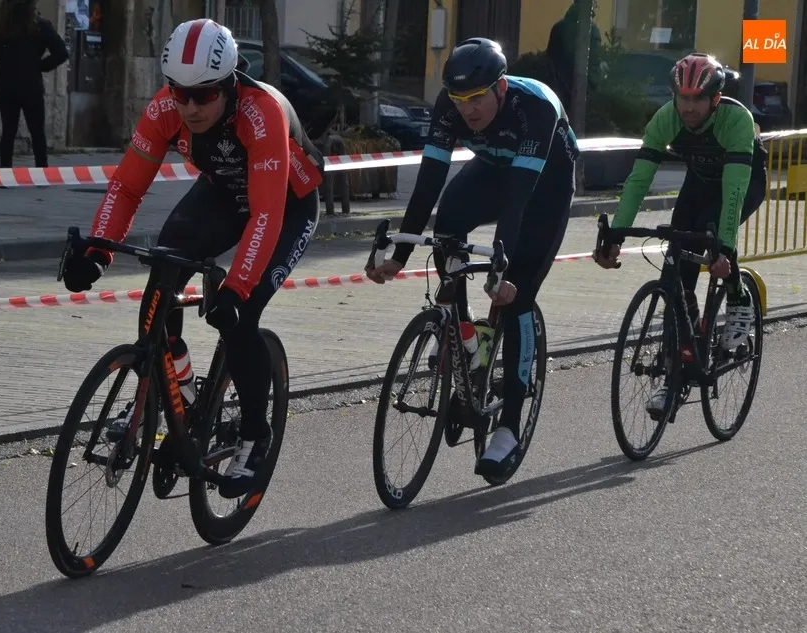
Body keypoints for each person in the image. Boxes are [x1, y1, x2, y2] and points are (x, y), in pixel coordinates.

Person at [61, 19, 324, 499]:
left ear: (229, 84)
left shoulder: (260, 113)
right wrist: (97, 251)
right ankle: (167, 389)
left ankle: (255, 434)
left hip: (286, 207)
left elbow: (266, 214)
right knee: (162, 277)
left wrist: (236, 289)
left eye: (204, 95)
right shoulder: (165, 110)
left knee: (240, 318)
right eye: (180, 93)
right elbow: (126, 187)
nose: (190, 107)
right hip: (223, 194)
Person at [365, 38, 579, 480]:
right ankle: (466, 338)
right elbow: (428, 183)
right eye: (460, 99)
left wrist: (502, 270)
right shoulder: (449, 106)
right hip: (494, 170)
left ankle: (510, 426)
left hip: (545, 186)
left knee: (515, 296)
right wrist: (401, 253)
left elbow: (518, 201)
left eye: (477, 98)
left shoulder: (534, 107)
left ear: (501, 87)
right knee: (448, 225)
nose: (468, 109)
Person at [594, 53, 767, 418]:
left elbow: (734, 193)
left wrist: (724, 248)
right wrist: (616, 235)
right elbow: (639, 180)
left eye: (697, 99)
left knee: (713, 232)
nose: (688, 108)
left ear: (715, 98)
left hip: (743, 182)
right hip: (700, 184)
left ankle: (738, 299)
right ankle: (675, 371)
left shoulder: (735, 119)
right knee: (676, 263)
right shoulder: (666, 119)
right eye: (682, 98)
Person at [0, 0, 69, 170]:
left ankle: (5, 171)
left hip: (7, 82)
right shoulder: (40, 26)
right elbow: (61, 53)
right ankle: (41, 172)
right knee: (37, 131)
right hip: (31, 83)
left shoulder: (4, 26)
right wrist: (40, 65)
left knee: (8, 131)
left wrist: (5, 60)